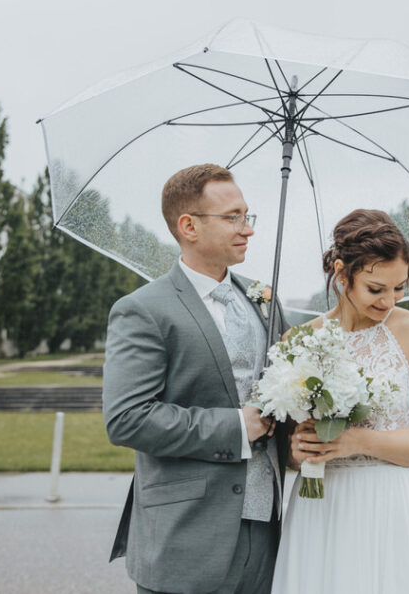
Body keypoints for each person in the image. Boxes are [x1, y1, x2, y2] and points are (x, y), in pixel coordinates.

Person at [103, 163, 291, 594]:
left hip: (268, 530)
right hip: (186, 535)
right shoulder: (144, 310)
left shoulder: (264, 299)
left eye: (248, 216)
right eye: (232, 218)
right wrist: (235, 427)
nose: (247, 229)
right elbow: (127, 418)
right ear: (188, 225)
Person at [271, 208, 409, 593]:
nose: (389, 300)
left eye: (400, 287)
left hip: (391, 505)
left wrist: (357, 441)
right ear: (342, 274)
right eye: (376, 289)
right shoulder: (298, 342)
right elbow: (288, 453)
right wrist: (298, 449)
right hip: (319, 507)